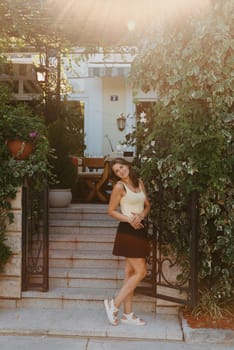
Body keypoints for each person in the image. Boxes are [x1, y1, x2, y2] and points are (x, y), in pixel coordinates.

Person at [104, 157, 150, 326]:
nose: (121, 171)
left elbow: (147, 206)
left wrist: (141, 216)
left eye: (121, 167)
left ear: (127, 165)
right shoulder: (119, 187)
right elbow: (110, 211)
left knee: (131, 274)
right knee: (141, 272)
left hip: (141, 229)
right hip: (128, 232)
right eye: (117, 171)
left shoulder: (140, 182)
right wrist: (129, 219)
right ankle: (114, 304)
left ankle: (127, 315)